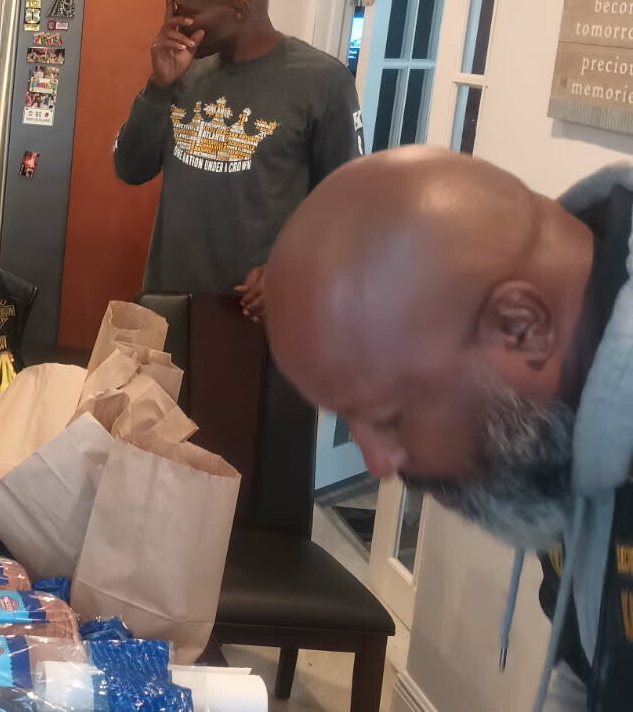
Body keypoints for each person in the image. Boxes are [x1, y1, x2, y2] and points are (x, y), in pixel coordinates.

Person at [263, 147, 633, 712]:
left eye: (390, 418)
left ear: (521, 327)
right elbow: (587, 664)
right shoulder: (563, 421)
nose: (378, 464)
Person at [113, 0, 362, 318]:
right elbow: (130, 168)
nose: (176, 22)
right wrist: (159, 87)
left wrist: (295, 266)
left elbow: (348, 204)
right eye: (174, 6)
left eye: (189, 11)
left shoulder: (323, 82)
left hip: (259, 314)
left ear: (240, 9)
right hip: (171, 303)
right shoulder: (186, 71)